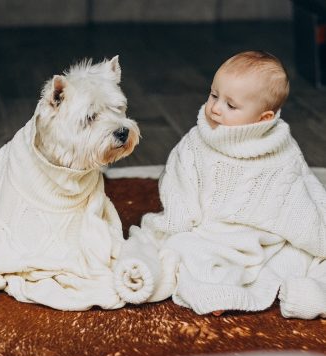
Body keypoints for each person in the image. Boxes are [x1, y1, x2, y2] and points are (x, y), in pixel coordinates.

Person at [115, 50, 326, 319]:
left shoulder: (280, 149)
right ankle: (217, 291)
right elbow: (178, 186)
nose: (215, 108)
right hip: (210, 234)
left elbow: (301, 193)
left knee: (300, 256)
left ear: (264, 118)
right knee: (179, 248)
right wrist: (175, 229)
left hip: (267, 241)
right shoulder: (197, 142)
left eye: (231, 105)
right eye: (214, 95)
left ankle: (311, 295)